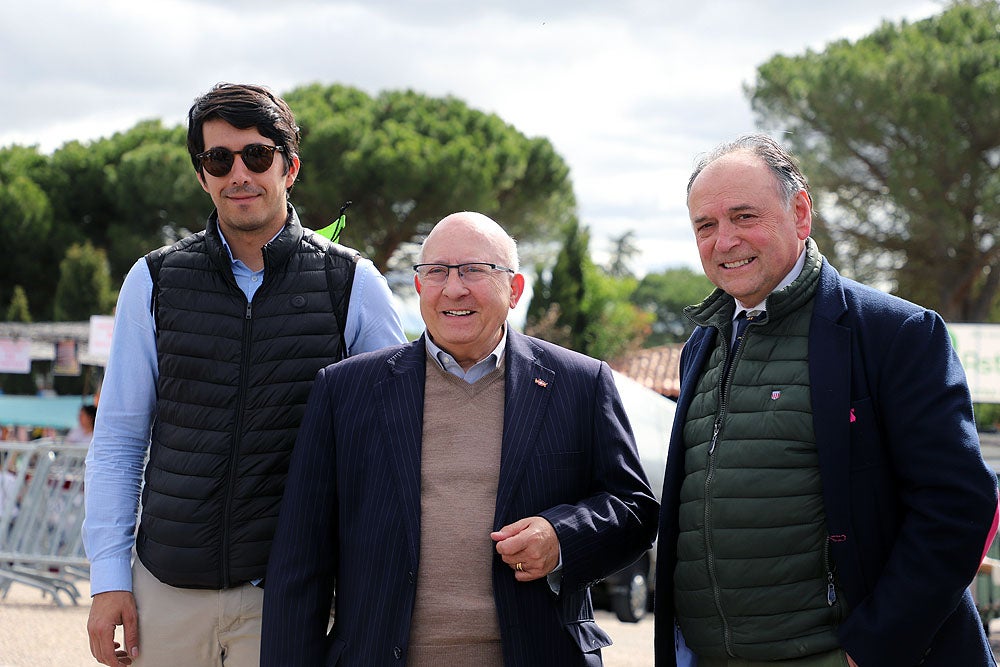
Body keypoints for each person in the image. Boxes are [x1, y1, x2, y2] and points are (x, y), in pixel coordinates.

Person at [82, 83, 407, 667]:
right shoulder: (151, 281)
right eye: (219, 159)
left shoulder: (355, 286)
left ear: (291, 167)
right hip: (165, 591)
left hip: (290, 596)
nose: (240, 174)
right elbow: (118, 442)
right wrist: (109, 579)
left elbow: (393, 448)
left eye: (257, 155)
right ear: (202, 174)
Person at [653, 134, 1000, 667]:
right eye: (706, 225)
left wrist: (873, 648)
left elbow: (959, 508)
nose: (724, 241)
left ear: (800, 213)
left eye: (744, 216)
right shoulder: (703, 343)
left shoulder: (895, 332)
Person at [260, 211, 659, 666]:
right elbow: (299, 563)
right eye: (437, 272)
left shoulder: (579, 383)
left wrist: (562, 538)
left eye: (474, 270)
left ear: (514, 289)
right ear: (418, 287)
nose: (454, 289)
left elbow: (634, 510)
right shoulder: (345, 390)